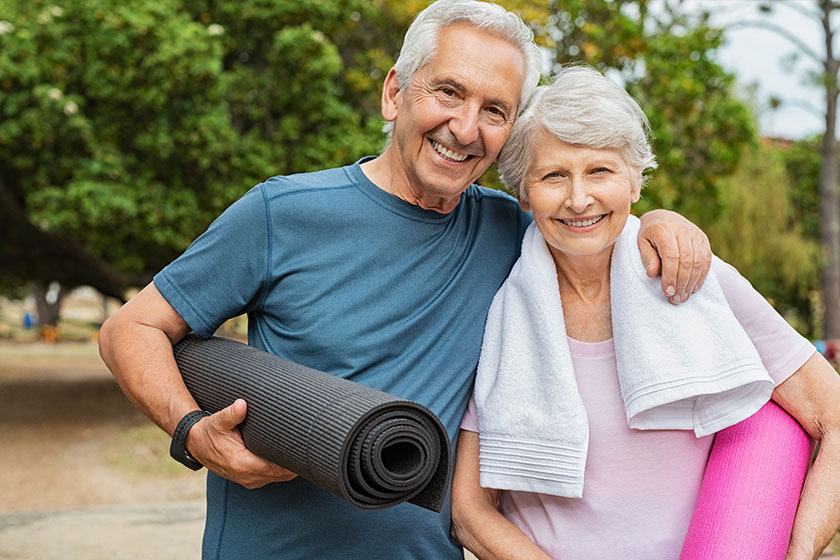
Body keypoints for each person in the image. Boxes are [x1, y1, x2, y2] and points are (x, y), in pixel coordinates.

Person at [98, 2, 713, 559]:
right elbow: (132, 327)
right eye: (449, 92)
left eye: (494, 111)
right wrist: (189, 431)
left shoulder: (514, 233)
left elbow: (589, 209)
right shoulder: (280, 213)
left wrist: (658, 220)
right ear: (395, 93)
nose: (466, 128)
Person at [450, 65, 840, 560]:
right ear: (523, 194)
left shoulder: (699, 280)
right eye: (553, 175)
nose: (578, 198)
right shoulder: (497, 306)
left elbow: (835, 418)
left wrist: (800, 549)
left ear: (634, 182)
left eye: (600, 171)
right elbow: (470, 511)